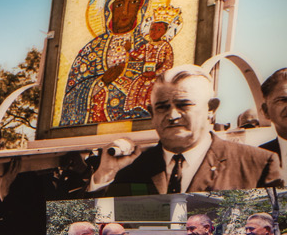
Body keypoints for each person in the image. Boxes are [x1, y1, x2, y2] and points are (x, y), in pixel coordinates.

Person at [90, 66, 282, 193]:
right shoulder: (132, 173)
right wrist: (105, 175)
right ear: (152, 113)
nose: (172, 115)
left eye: (184, 105)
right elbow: (100, 228)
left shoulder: (257, 165)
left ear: (211, 109)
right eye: (162, 107)